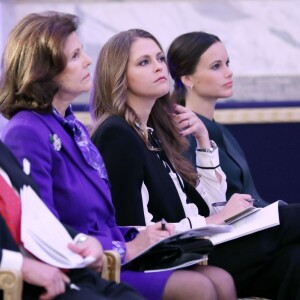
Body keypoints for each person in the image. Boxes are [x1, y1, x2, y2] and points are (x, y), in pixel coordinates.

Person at [0, 13, 236, 300]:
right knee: (200, 287)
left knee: (221, 280)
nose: (88, 61)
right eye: (75, 55)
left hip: (109, 254)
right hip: (81, 267)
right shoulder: (27, 130)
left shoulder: (74, 129)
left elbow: (108, 220)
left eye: (160, 59)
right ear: (43, 69)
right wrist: (128, 247)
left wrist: (138, 238)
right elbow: (40, 228)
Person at [90, 28, 300, 300]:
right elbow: (133, 228)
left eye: (159, 58)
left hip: (200, 243)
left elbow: (206, 203)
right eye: (144, 62)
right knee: (292, 218)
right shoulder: (117, 134)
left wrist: (203, 141)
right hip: (176, 254)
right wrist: (214, 219)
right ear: (119, 75)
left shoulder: (154, 130)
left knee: (295, 259)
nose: (158, 67)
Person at [0, 140, 143, 300]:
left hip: (69, 269)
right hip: (24, 286)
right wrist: (18, 264)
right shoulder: (24, 131)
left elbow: (36, 215)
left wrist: (81, 239)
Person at [166, 31, 268, 208]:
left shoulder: (219, 130)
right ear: (188, 79)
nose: (229, 73)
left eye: (227, 64)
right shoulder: (185, 133)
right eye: (216, 66)